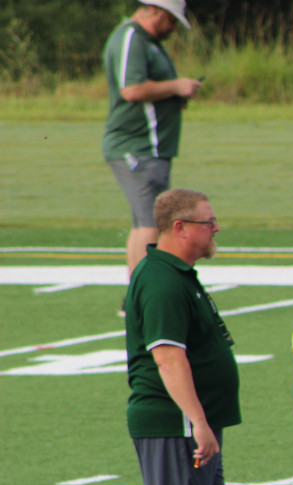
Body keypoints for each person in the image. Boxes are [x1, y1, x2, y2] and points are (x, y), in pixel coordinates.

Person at [123, 188, 279, 485]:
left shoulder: (179, 274)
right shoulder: (163, 281)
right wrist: (196, 421)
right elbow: (169, 359)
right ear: (180, 228)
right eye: (208, 222)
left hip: (195, 422)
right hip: (174, 423)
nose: (215, 229)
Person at [103, 0, 203, 278]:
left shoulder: (145, 40)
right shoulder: (132, 37)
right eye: (171, 21)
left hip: (150, 146)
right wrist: (177, 85)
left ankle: (136, 294)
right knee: (151, 222)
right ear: (157, 12)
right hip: (138, 144)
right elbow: (131, 90)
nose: (172, 28)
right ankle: (142, 294)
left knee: (143, 222)